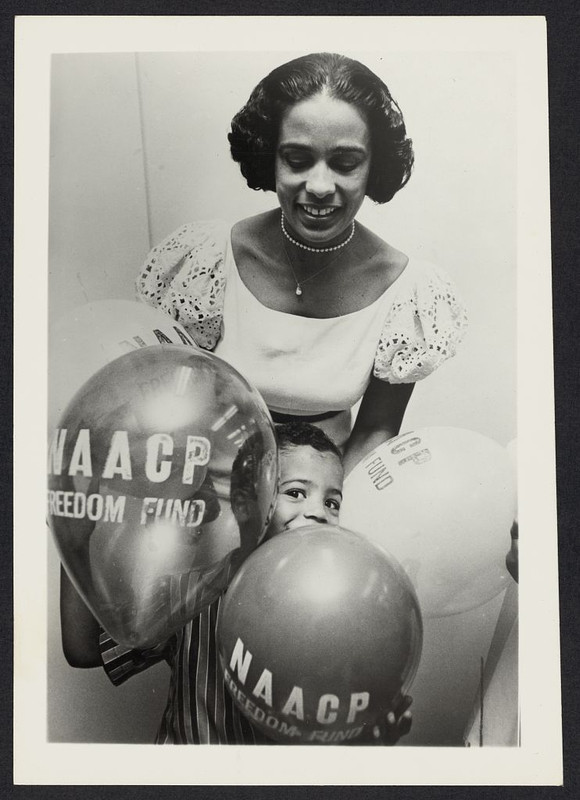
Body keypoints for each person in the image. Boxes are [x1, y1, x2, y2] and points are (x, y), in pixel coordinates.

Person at [136, 52, 468, 473]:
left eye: (345, 164)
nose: (319, 186)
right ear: (269, 157)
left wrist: (323, 516)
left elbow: (375, 432)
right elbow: (175, 409)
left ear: (373, 167)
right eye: (297, 160)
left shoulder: (405, 289)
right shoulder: (206, 262)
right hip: (207, 483)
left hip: (325, 499)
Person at [60, 421, 412, 745]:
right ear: (248, 504)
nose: (319, 511)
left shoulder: (346, 618)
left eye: (332, 501)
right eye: (296, 493)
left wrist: (370, 742)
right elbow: (83, 650)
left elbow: (337, 734)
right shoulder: (193, 590)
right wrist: (75, 540)